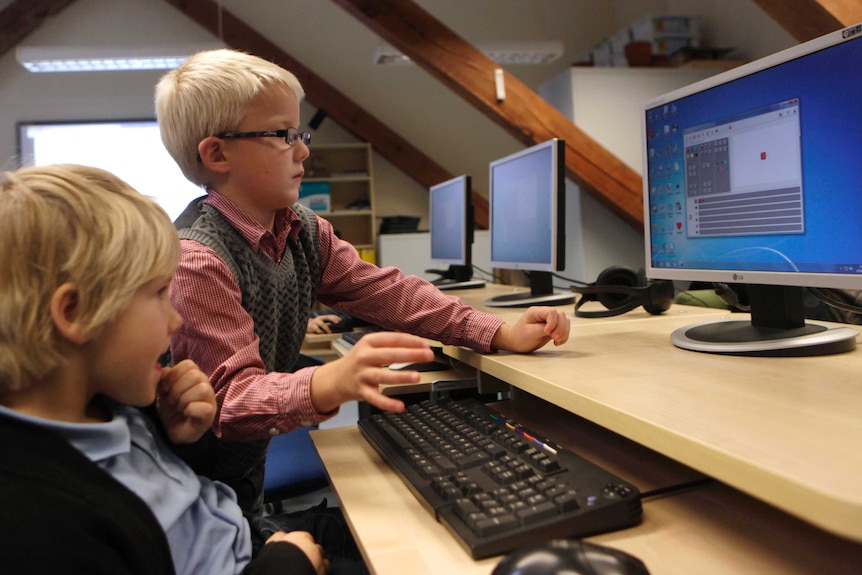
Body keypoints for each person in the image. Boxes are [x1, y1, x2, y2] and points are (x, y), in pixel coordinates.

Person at [155, 47, 571, 545]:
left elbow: (386, 292)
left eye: (300, 134)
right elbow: (229, 401)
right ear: (217, 154)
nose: (303, 150)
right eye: (283, 135)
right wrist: (327, 382)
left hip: (246, 482)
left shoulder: (301, 230)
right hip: (203, 505)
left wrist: (498, 330)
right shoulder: (199, 258)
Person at [0, 164, 328, 575]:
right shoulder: (35, 524)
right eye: (158, 293)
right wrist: (286, 567)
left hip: (252, 540)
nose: (175, 321)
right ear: (76, 313)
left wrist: (184, 441)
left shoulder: (112, 407)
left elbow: (180, 499)